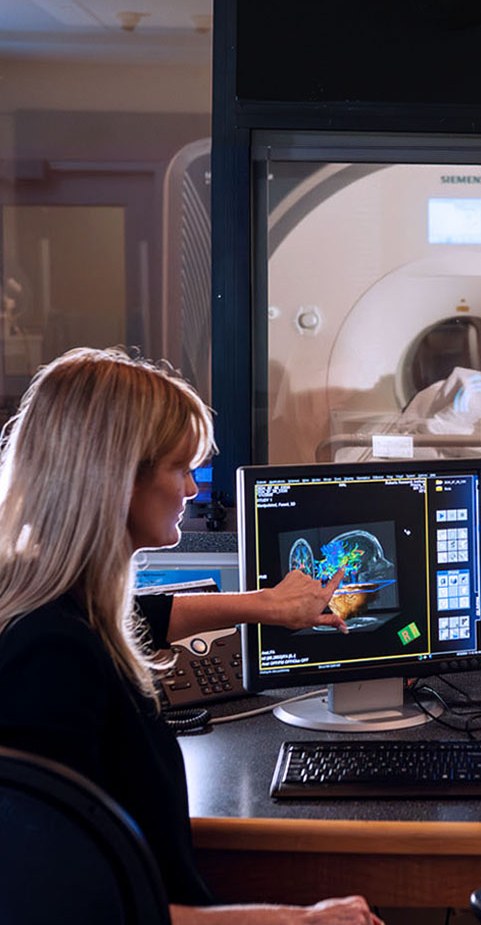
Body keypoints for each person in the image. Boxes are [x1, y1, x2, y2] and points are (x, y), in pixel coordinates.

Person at [0, 348, 382, 925]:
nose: (193, 490)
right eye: (181, 469)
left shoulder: (54, 613)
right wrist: (298, 921)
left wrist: (265, 606)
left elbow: (144, 615)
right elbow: (72, 912)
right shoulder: (51, 660)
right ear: (116, 478)